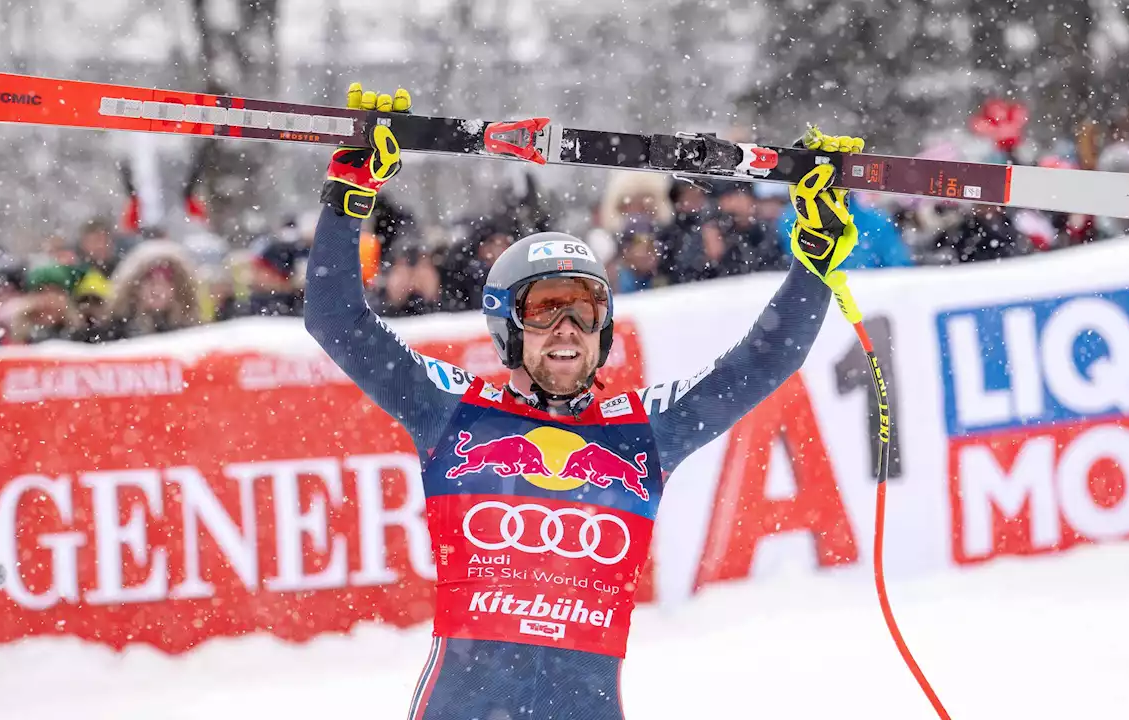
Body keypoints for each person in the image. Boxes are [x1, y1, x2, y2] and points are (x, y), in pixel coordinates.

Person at [304, 83, 863, 720]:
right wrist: (349, 195)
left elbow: (765, 361)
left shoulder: (641, 432)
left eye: (586, 308)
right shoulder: (452, 410)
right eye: (545, 308)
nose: (568, 326)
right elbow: (336, 320)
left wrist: (814, 263)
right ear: (505, 325)